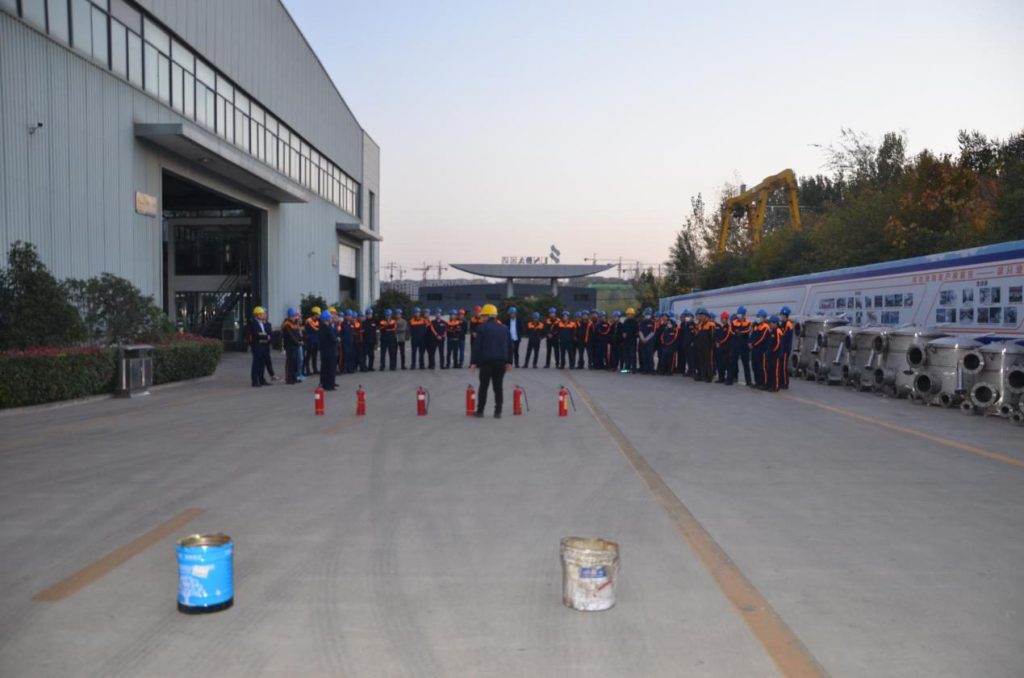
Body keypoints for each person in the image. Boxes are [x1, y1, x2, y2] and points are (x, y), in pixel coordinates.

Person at [470, 304, 513, 418]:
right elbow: (509, 346)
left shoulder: (482, 328)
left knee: (483, 386)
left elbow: (477, 347)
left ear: (488, 316)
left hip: (486, 362)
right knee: (498, 387)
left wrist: (473, 362)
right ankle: (498, 412)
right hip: (501, 362)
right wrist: (509, 362)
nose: (482, 318)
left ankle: (480, 411)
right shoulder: (504, 328)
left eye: (483, 315)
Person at [248, 306, 272, 387]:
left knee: (262, 363)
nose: (263, 315)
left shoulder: (262, 323)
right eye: (261, 314)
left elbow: (264, 332)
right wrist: (265, 336)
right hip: (257, 346)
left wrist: (265, 335)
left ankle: (261, 379)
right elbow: (256, 334)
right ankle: (255, 381)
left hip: (264, 345)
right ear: (257, 315)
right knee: (256, 363)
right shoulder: (253, 323)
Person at [730, 307, 753, 386]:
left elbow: (748, 330)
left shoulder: (748, 322)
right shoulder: (733, 322)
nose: (740, 316)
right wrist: (737, 332)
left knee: (746, 364)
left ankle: (748, 381)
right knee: (733, 362)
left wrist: (740, 332)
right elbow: (731, 331)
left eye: (741, 314)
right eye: (738, 314)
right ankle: (730, 379)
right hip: (735, 344)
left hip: (744, 345)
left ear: (744, 315)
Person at [749, 309, 771, 389]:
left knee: (761, 367)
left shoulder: (766, 327)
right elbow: (752, 335)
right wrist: (749, 342)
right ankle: (757, 382)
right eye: (758, 317)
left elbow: (762, 338)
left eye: (760, 317)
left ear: (764, 318)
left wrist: (753, 344)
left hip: (761, 350)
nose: (759, 318)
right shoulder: (756, 326)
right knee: (754, 366)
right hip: (754, 350)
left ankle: (764, 383)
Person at [318, 310, 339, 390]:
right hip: (331, 352)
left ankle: (324, 384)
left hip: (324, 352)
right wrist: (337, 339)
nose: (331, 319)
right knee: (331, 369)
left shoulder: (321, 328)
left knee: (324, 369)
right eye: (330, 318)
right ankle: (330, 385)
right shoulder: (328, 328)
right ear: (327, 319)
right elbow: (333, 339)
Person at [281, 308, 303, 384]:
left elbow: (297, 333)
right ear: (290, 316)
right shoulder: (287, 324)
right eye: (293, 316)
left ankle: (294, 377)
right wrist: (298, 342)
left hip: (295, 345)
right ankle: (289, 378)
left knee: (295, 362)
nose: (295, 318)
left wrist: (301, 340)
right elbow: (290, 336)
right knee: (290, 362)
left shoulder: (294, 323)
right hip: (290, 346)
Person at [714, 311, 734, 384]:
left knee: (728, 364)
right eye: (721, 318)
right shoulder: (721, 328)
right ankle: (721, 378)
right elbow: (717, 336)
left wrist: (720, 342)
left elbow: (727, 337)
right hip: (720, 348)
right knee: (720, 364)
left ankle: (729, 379)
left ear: (726, 319)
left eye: (723, 318)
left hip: (726, 349)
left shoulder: (729, 327)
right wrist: (716, 342)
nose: (722, 320)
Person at [778, 307, 794, 390]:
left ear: (785, 315)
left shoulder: (789, 325)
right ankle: (781, 381)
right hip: (782, 348)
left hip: (785, 348)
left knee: (784, 366)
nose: (781, 317)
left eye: (782, 315)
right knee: (781, 365)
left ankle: (785, 383)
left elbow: (784, 336)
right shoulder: (783, 324)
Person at [638, 308, 656, 374]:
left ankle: (651, 369)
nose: (647, 315)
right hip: (643, 341)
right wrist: (643, 339)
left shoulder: (653, 322)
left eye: (648, 314)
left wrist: (646, 339)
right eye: (646, 314)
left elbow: (652, 332)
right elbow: (640, 331)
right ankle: (645, 369)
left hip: (650, 342)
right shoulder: (642, 322)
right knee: (644, 356)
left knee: (650, 356)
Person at [620, 307, 639, 373]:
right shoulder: (625, 321)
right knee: (626, 356)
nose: (629, 315)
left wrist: (630, 334)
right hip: (626, 342)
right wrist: (623, 334)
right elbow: (623, 330)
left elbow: (636, 332)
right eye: (628, 314)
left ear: (633, 315)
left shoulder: (635, 322)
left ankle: (634, 369)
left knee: (632, 355)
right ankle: (627, 369)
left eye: (630, 314)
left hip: (632, 341)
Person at [303, 306, 321, 376]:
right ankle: (307, 369)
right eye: (318, 314)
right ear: (315, 314)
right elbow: (315, 329)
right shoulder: (309, 320)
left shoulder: (317, 321)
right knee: (308, 355)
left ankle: (315, 369)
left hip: (316, 341)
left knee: (315, 355)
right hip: (309, 341)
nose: (319, 315)